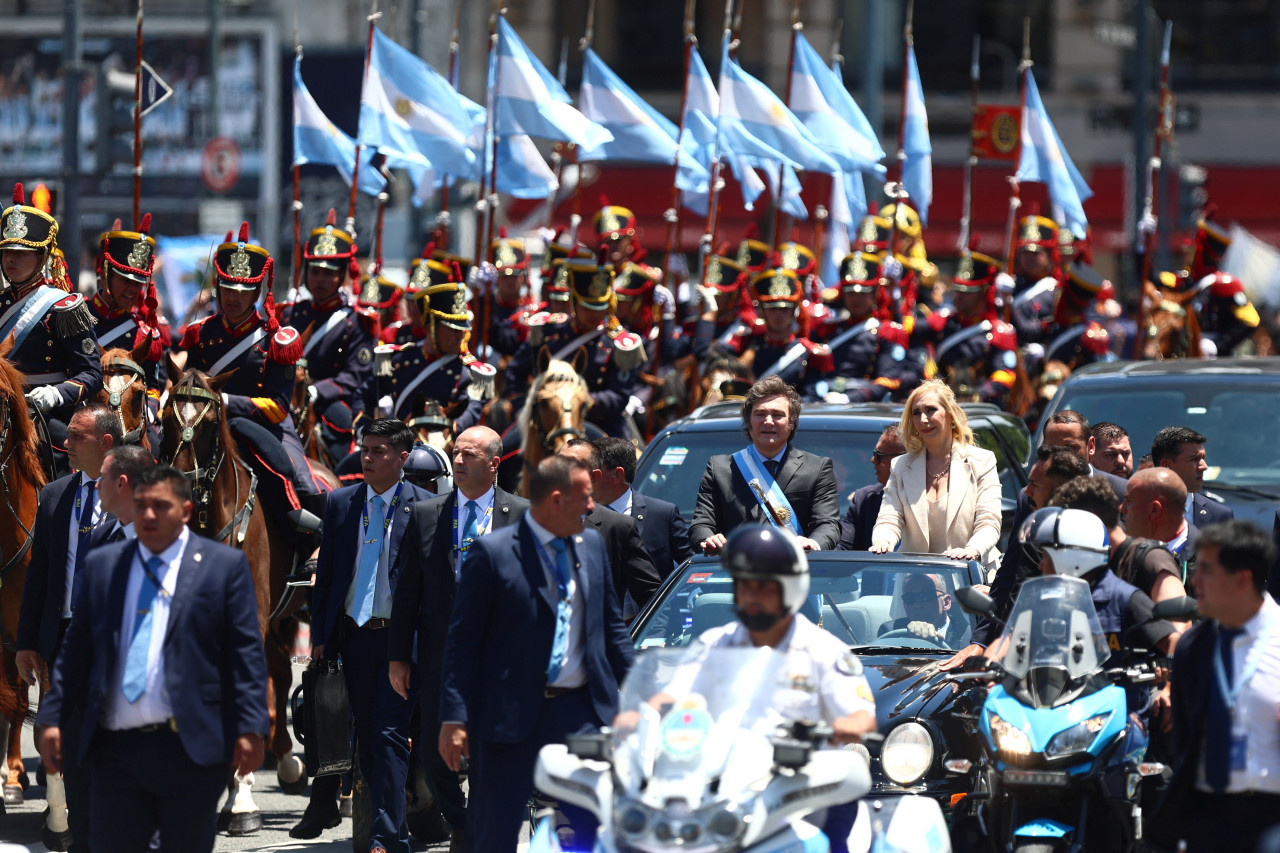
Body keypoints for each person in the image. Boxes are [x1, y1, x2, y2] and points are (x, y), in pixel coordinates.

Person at [36, 465, 269, 853]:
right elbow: (77, 651)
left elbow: (244, 654)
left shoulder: (222, 568)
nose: (148, 516)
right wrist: (52, 716)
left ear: (186, 511)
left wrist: (252, 726)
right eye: (141, 505)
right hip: (115, 751)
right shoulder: (104, 565)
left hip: (190, 751)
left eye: (161, 507)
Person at [438, 455, 635, 852]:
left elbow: (612, 632)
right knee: (496, 833)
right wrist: (454, 716)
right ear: (556, 500)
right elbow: (462, 643)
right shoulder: (493, 554)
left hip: (581, 717)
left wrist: (640, 694)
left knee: (583, 833)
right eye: (585, 497)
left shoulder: (592, 545)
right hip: (508, 719)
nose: (594, 507)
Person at [677, 525, 876, 853]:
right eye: (744, 587)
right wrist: (640, 716)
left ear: (790, 589)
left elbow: (861, 717)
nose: (751, 597)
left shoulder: (825, 651)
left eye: (764, 588)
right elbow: (673, 695)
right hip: (720, 786)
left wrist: (840, 728)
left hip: (799, 792)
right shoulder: (713, 644)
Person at [386, 425, 527, 853]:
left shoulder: (521, 515)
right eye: (456, 453)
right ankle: (462, 819)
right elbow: (406, 592)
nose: (459, 461)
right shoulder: (428, 514)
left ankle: (478, 833)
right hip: (439, 658)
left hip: (498, 661)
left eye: (469, 454)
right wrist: (398, 657)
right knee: (432, 755)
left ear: (494, 464)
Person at [300, 419, 430, 850]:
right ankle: (389, 827)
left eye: (378, 451)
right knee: (368, 743)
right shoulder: (340, 503)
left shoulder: (426, 507)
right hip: (353, 638)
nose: (367, 458)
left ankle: (387, 837)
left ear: (403, 458)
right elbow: (330, 575)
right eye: (365, 449)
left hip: (399, 642)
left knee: (389, 735)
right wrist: (321, 636)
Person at [14, 403, 121, 852]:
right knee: (73, 756)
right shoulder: (54, 495)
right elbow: (39, 577)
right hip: (63, 646)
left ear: (106, 443)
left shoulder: (135, 491)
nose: (65, 445)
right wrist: (26, 644)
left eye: (77, 437)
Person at [1154, 521, 1280, 853]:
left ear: (1242, 579)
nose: (1195, 581)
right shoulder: (1193, 647)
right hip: (1209, 817)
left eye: (1207, 570)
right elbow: (1185, 738)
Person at [174, 222, 316, 505]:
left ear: (256, 292)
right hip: (205, 426)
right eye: (228, 289)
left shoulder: (276, 341)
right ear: (218, 287)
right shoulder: (200, 333)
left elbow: (277, 408)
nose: (233, 298)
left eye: (243, 291)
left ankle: (314, 546)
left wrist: (224, 400)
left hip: (265, 427)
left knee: (304, 485)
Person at [940, 445, 1089, 671]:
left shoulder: (1096, 541)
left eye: (1035, 485)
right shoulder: (1032, 528)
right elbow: (1014, 585)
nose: (1026, 491)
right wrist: (986, 651)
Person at [0, 183, 101, 459]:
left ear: (42, 256)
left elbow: (92, 374)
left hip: (43, 414)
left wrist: (56, 394)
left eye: (21, 252)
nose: (11, 258)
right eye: (7, 251)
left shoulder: (63, 307)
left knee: (61, 458)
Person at [690, 375, 841, 555]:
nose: (768, 421)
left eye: (777, 415)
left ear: (791, 423)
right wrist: (708, 539)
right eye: (760, 414)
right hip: (735, 572)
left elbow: (828, 524)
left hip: (794, 569)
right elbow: (701, 525)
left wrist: (813, 543)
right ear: (748, 421)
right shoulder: (720, 468)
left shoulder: (817, 468)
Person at [503, 251, 644, 439]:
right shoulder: (548, 330)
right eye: (587, 306)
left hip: (597, 425)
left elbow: (618, 396)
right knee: (504, 456)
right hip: (542, 421)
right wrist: (523, 408)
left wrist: (579, 401)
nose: (594, 314)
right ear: (573, 302)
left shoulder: (620, 344)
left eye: (600, 307)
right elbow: (515, 372)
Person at [281, 209, 378, 461]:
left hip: (327, 402)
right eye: (314, 271)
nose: (319, 279)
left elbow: (355, 374)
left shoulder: (356, 321)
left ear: (342, 274)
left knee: (345, 451)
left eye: (328, 273)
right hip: (285, 397)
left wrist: (316, 391)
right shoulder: (290, 314)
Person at [870, 379, 1001, 564]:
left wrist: (972, 550)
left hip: (970, 575)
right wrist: (883, 541)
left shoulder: (982, 461)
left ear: (950, 414)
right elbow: (889, 517)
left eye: (931, 410)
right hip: (916, 581)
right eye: (916, 413)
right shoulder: (900, 466)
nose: (923, 420)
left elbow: (989, 521)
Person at [559, 439, 662, 612]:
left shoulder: (616, 527)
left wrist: (657, 637)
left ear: (593, 476)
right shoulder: (527, 517)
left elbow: (651, 595)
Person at [592, 435, 691, 578]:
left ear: (617, 474)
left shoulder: (662, 514)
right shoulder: (579, 516)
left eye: (594, 470)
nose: (587, 476)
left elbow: (690, 568)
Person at [1151, 425, 1233, 532]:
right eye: (1194, 459)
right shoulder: (1137, 509)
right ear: (1165, 466)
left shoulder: (1219, 516)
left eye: (1203, 458)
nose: (1204, 466)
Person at [838, 424, 905, 551]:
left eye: (879, 455)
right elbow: (842, 548)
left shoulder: (932, 498)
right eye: (874, 453)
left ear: (903, 459)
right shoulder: (864, 499)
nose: (873, 460)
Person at [1121, 467, 1195, 575]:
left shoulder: (1207, 564)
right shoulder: (1120, 552)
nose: (1122, 508)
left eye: (1129, 501)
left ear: (1154, 510)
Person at [1042, 410, 1127, 498]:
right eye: (1052, 448)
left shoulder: (1122, 493)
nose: (1061, 455)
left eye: (1071, 448)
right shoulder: (1031, 497)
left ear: (1091, 446)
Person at [879, 573, 970, 648]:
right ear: (905, 606)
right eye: (910, 598)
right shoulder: (891, 631)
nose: (918, 605)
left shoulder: (968, 634)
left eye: (927, 596)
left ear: (946, 602)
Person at [94, 445, 154, 545]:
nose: (97, 485)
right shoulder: (100, 536)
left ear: (121, 483)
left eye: (103, 477)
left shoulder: (176, 545)